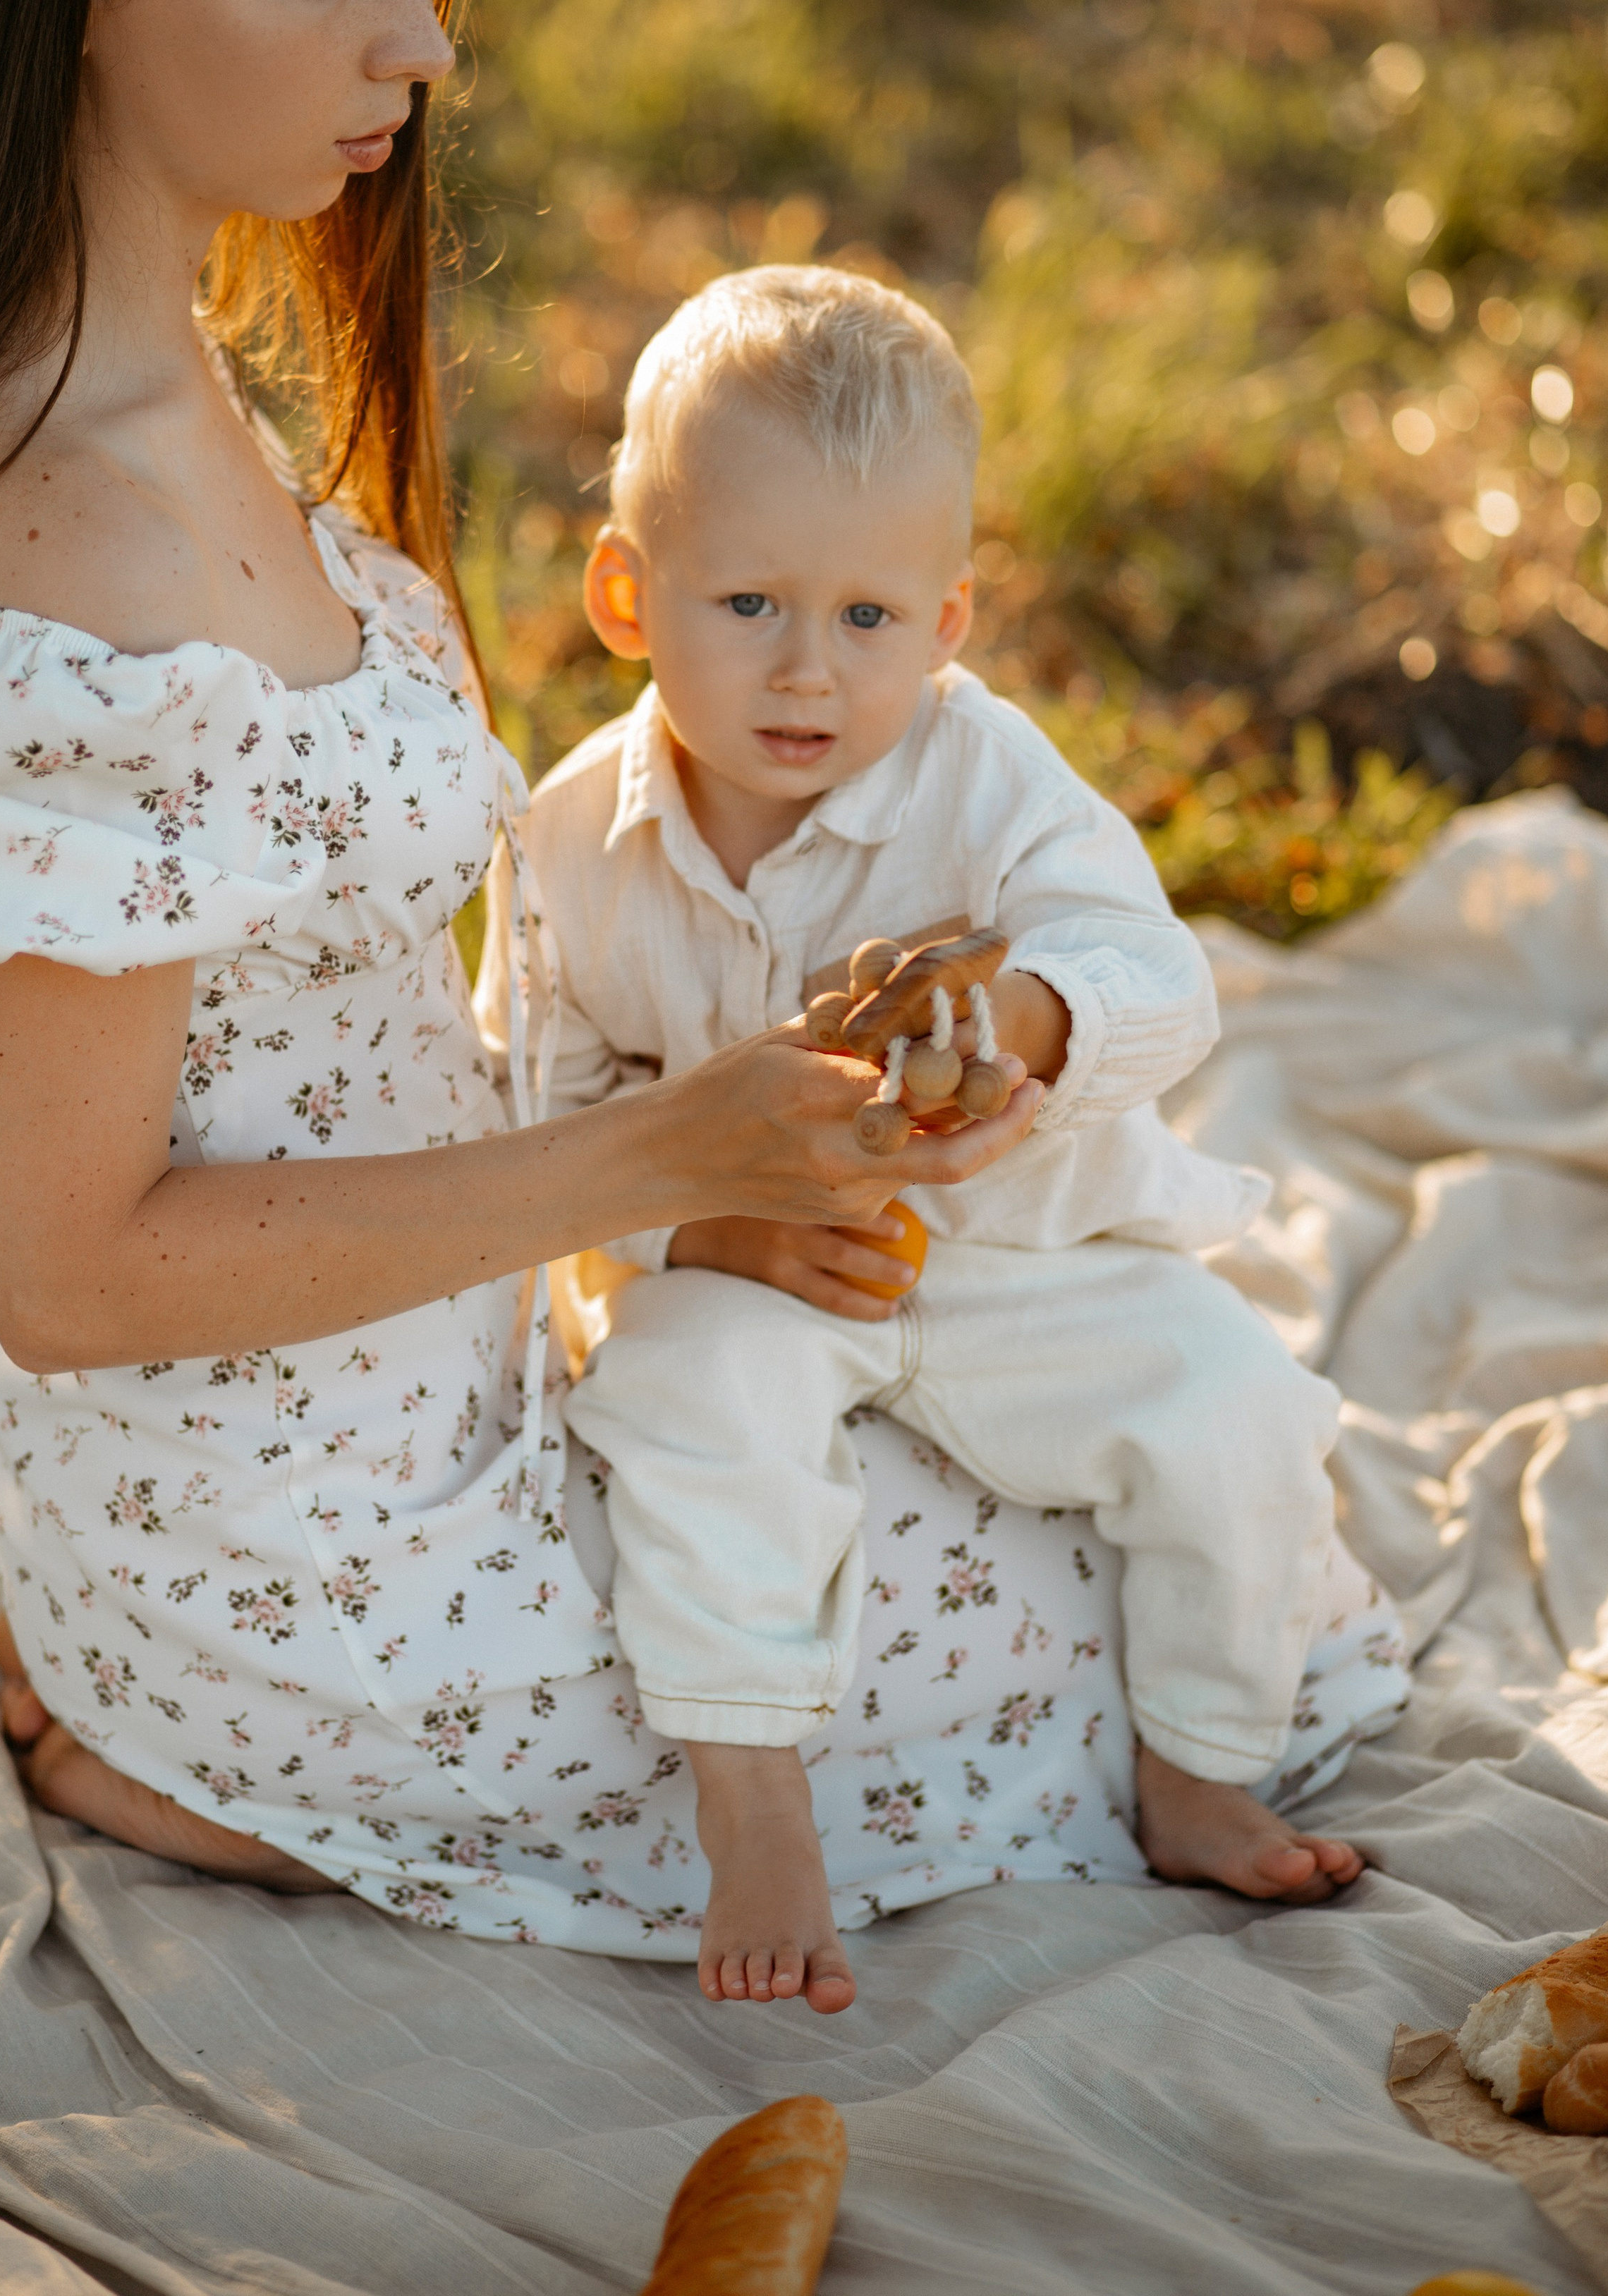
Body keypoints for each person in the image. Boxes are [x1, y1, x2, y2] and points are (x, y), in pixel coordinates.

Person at [0, 0, 1194, 1970]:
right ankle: (214, 1755)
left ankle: (212, 1714)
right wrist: (667, 1147)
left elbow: (335, 1059)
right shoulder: (34, 550)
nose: (425, 40)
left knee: (1114, 1477)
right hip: (284, 1539)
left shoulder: (179, 379)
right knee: (1078, 1649)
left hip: (429, 1385)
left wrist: (660, 1226)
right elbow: (73, 1267)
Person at [478, 265, 1388, 2014]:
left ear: (952, 618)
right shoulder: (566, 841)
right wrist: (698, 1238)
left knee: (1235, 1404)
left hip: (1018, 1258)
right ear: (623, 588)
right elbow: (535, 1108)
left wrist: (1034, 1023)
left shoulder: (989, 781)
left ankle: (1199, 1761)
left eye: (870, 618)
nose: (808, 668)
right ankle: (755, 1805)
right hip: (759, 1261)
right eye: (744, 602)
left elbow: (1153, 973)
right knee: (683, 1407)